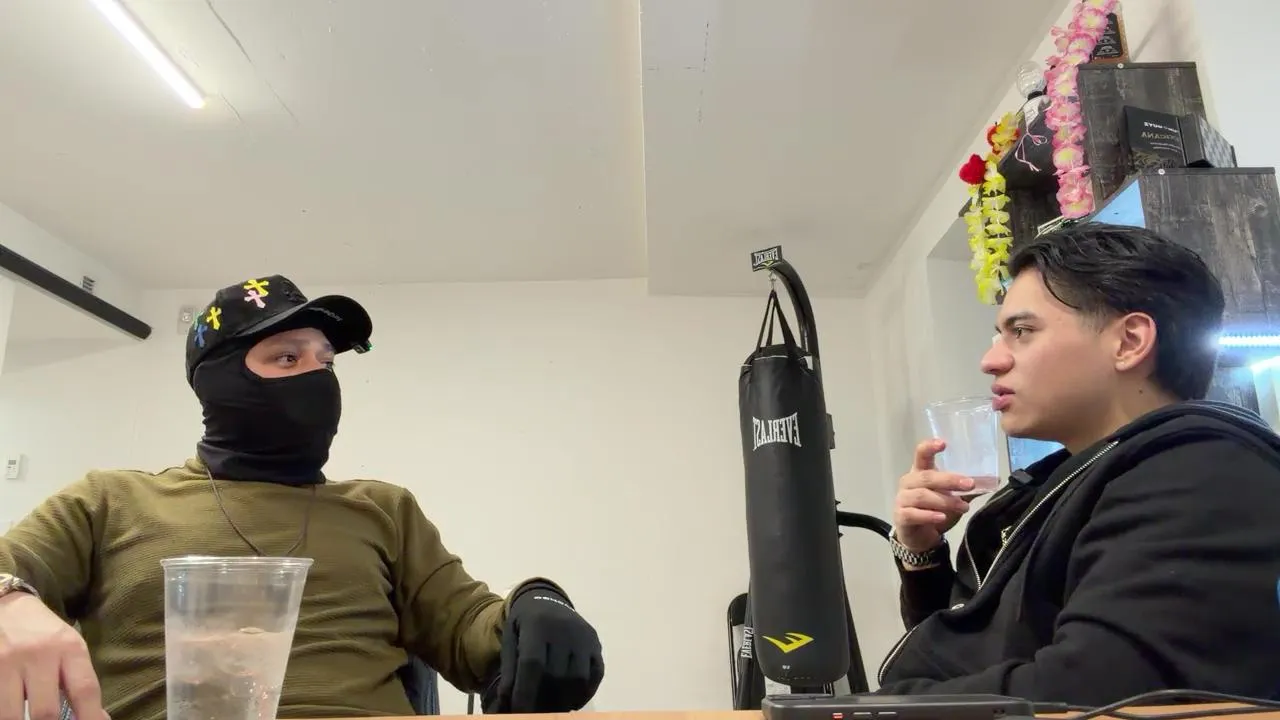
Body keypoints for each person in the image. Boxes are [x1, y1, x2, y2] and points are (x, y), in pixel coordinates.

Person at [0, 275, 605, 720]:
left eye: (326, 361)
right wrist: (10, 601)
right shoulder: (110, 501)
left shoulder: (383, 509)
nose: (317, 378)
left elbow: (469, 627)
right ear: (219, 380)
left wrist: (537, 604)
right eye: (287, 358)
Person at [877, 223, 1280, 704]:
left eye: (1022, 331)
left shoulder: (1201, 473)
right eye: (998, 335)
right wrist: (921, 552)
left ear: (1129, 342)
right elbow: (964, 648)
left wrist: (880, 709)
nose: (990, 360)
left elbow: (1095, 694)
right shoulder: (1056, 486)